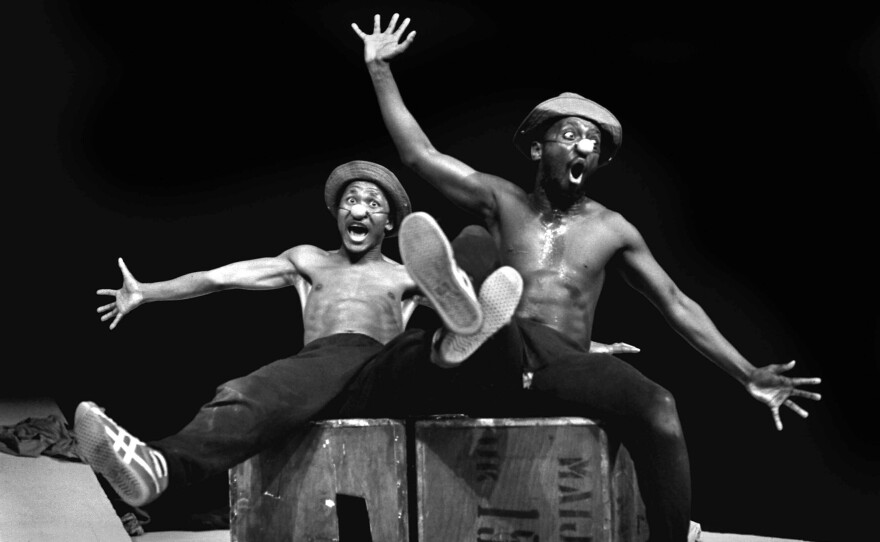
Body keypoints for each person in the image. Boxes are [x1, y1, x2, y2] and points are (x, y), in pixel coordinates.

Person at [352, 15, 823, 542]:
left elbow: (675, 301)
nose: (583, 147)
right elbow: (419, 154)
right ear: (539, 149)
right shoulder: (500, 200)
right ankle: (461, 318)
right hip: (498, 360)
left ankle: (670, 539)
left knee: (659, 407)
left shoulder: (611, 229)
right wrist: (380, 70)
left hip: (561, 367)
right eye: (571, 135)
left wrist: (747, 373)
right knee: (474, 243)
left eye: (593, 143)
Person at [76, 160, 523, 509]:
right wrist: (147, 291)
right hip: (316, 378)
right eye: (351, 200)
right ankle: (161, 466)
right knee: (246, 392)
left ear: (389, 224)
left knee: (415, 344)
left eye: (373, 203)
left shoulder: (407, 274)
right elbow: (219, 277)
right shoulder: (307, 261)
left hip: (382, 380)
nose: (359, 209)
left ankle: (454, 334)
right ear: (337, 213)